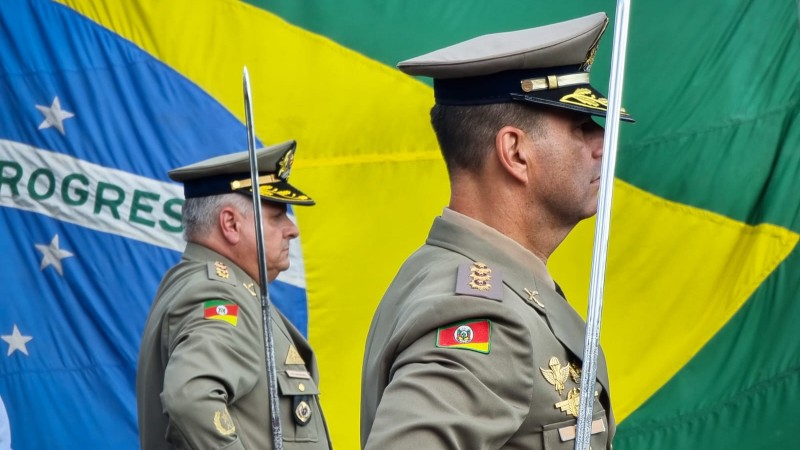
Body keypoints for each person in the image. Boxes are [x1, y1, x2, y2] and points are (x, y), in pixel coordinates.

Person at [361, 12, 634, 450]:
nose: (602, 143)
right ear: (515, 152)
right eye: (581, 125)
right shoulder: (479, 314)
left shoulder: (467, 277)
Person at [137, 140, 333, 449]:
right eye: (277, 216)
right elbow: (190, 397)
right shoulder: (217, 293)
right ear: (230, 224)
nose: (292, 229)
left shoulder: (208, 283)